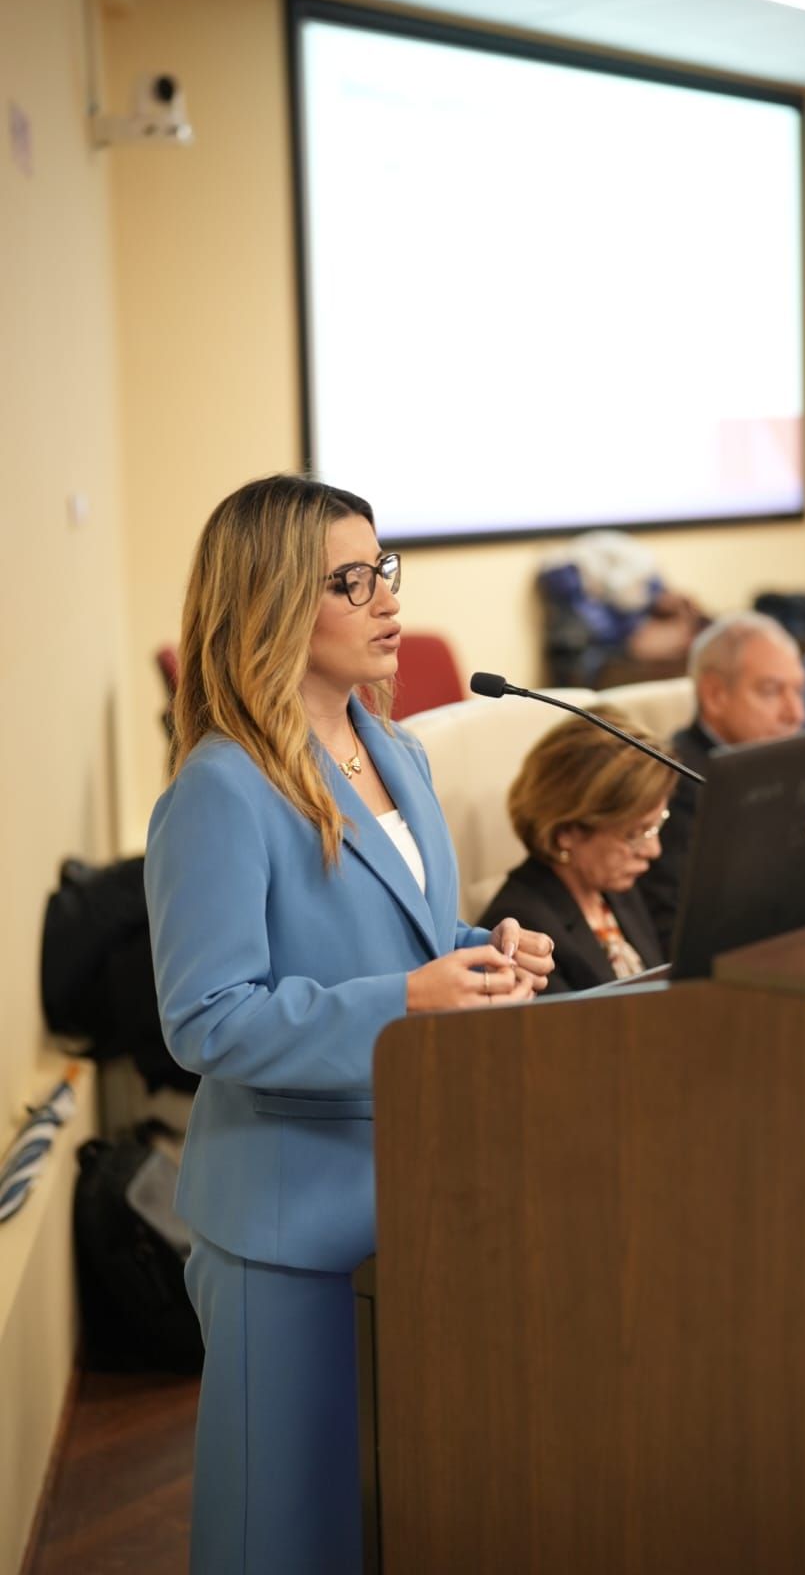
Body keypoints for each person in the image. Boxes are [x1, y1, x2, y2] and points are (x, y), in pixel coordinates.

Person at [144, 474, 553, 1574]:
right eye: (349, 582)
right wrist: (410, 1000)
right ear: (274, 601)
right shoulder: (222, 787)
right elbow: (206, 1019)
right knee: (279, 1537)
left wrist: (487, 948)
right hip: (284, 1221)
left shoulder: (397, 750)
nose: (387, 601)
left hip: (409, 1196)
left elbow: (403, 931)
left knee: (381, 1523)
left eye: (385, 571)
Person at [638, 612, 805, 951]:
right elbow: (676, 930)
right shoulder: (674, 784)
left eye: (798, 691)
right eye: (772, 691)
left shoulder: (790, 762)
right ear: (715, 694)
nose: (796, 713)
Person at [477, 711, 676, 990]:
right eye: (635, 834)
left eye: (656, 826)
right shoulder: (524, 931)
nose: (653, 850)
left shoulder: (615, 888)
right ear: (566, 832)